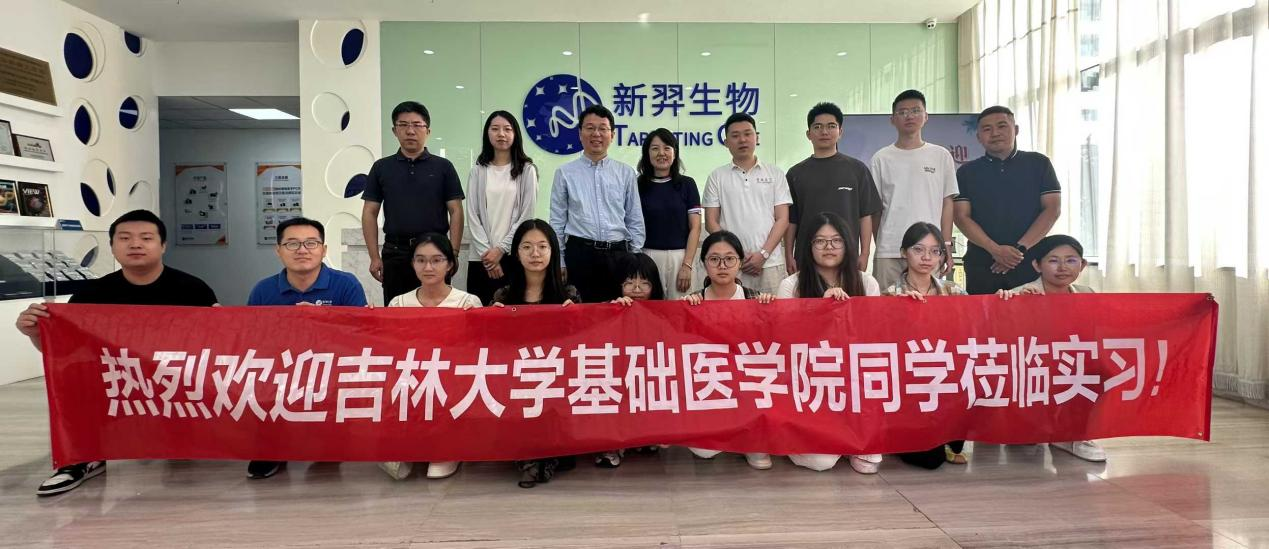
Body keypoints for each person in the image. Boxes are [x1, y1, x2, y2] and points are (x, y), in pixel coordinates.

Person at [14, 209, 218, 496]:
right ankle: (83, 457)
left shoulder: (193, 289)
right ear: (112, 246)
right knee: (73, 373)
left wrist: (224, 326)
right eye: (124, 238)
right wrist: (36, 333)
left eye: (146, 238)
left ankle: (183, 433)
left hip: (175, 377)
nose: (135, 244)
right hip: (117, 378)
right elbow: (64, 353)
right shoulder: (91, 294)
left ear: (162, 245)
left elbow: (214, 348)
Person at [244, 217, 368, 480]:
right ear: (278, 251)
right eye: (292, 244)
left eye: (311, 243)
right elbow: (253, 340)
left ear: (323, 249)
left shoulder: (346, 284)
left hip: (331, 365)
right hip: (281, 368)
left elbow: (360, 335)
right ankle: (271, 448)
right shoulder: (263, 290)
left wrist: (324, 319)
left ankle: (327, 439)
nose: (302, 250)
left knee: (328, 453)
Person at [773, 212, 882, 473]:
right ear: (808, 246)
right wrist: (820, 311)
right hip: (809, 382)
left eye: (836, 240)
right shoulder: (791, 285)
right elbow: (784, 341)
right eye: (820, 241)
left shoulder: (866, 282)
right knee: (821, 462)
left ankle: (849, 436)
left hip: (852, 382)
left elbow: (873, 337)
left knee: (869, 464)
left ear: (847, 244)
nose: (829, 247)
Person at [380, 233, 481, 481]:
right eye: (421, 260)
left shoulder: (468, 302)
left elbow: (476, 353)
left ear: (450, 265)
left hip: (452, 381)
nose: (428, 267)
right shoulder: (398, 303)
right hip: (410, 381)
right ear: (412, 264)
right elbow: (390, 352)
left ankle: (446, 449)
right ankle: (407, 447)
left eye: (436, 260)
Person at [491, 219, 582, 487]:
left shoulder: (569, 295)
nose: (535, 254)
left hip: (556, 380)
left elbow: (581, 347)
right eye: (527, 247)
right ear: (516, 253)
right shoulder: (503, 296)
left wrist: (576, 320)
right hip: (517, 380)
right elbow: (492, 350)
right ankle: (536, 460)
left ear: (553, 251)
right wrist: (490, 322)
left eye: (542, 246)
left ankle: (539, 460)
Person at [997, 234, 1104, 462]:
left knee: (1097, 367)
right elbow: (1005, 345)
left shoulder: (1088, 294)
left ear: (1083, 265)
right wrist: (1012, 308)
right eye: (1053, 260)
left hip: (1071, 367)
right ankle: (1033, 423)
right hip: (1033, 369)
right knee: (1024, 439)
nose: (1063, 267)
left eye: (1071, 260)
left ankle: (1073, 435)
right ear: (1037, 265)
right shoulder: (1019, 294)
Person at [681, 231, 775, 470]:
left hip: (748, 385)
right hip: (712, 384)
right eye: (714, 259)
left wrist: (770, 312)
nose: (722, 266)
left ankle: (749, 437)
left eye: (730, 259)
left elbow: (776, 348)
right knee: (704, 452)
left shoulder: (756, 300)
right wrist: (683, 314)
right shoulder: (692, 303)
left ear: (740, 262)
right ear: (703, 264)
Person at [881, 222, 970, 468]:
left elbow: (974, 328)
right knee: (931, 460)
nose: (927, 258)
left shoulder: (954, 292)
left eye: (935, 251)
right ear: (904, 252)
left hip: (946, 376)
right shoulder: (889, 295)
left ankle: (949, 435)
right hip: (909, 382)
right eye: (918, 250)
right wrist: (900, 311)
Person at [362, 100, 465, 306]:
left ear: (428, 130)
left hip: (435, 253)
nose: (410, 131)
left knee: (437, 311)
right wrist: (374, 257)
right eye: (403, 125)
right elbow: (369, 213)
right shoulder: (381, 167)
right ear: (394, 130)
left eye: (417, 125)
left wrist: (452, 253)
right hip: (396, 252)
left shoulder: (443, 167)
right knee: (397, 312)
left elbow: (456, 211)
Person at [954, 105, 1062, 295]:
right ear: (978, 137)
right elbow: (961, 217)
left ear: (1016, 130)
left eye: (1002, 126)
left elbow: (1052, 210)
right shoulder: (966, 172)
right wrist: (995, 250)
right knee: (982, 314)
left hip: (1030, 261)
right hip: (982, 263)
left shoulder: (1039, 164)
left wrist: (1018, 251)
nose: (995, 133)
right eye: (987, 129)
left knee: (1030, 313)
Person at [548, 104, 646, 304]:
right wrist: (560, 261)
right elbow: (557, 221)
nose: (596, 134)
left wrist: (635, 259)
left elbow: (634, 218)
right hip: (580, 255)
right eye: (590, 128)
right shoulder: (565, 173)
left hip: (618, 254)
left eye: (603, 128)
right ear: (580, 133)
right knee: (581, 314)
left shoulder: (626, 173)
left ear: (612, 135)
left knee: (620, 313)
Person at [869, 90, 958, 290]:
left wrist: (945, 246)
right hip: (889, 251)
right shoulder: (881, 158)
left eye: (916, 111)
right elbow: (875, 210)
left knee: (928, 306)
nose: (909, 116)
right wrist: (882, 243)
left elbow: (947, 204)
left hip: (929, 251)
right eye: (902, 112)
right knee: (887, 305)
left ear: (926, 116)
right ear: (892, 119)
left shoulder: (941, 155)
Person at [784, 102, 882, 273]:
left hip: (847, 256)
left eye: (831, 126)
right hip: (806, 257)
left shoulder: (857, 169)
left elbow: (865, 215)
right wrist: (788, 254)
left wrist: (865, 253)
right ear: (808, 134)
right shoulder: (795, 173)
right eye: (818, 127)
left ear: (840, 132)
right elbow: (791, 220)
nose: (824, 132)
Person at [703, 113, 791, 295]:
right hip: (732, 266)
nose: (742, 140)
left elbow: (782, 219)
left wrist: (763, 254)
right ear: (726, 142)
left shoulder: (775, 173)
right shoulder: (717, 177)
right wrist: (737, 255)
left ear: (756, 137)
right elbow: (711, 223)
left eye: (747, 134)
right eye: (735, 136)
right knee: (733, 313)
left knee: (772, 312)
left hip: (770, 263)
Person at [465, 110, 538, 305]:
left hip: (512, 256)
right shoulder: (478, 171)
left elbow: (526, 216)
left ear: (515, 134)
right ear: (487, 134)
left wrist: (500, 250)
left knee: (513, 315)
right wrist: (489, 256)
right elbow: (472, 215)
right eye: (495, 129)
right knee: (480, 314)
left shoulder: (527, 170)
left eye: (507, 129)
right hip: (481, 258)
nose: (501, 134)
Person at [600, 253, 667, 467]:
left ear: (654, 286)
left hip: (644, 375)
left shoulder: (664, 313)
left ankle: (645, 436)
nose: (637, 289)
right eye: (629, 283)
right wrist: (612, 311)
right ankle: (611, 445)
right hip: (616, 375)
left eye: (644, 283)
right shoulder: (608, 306)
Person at [636, 128, 702, 300]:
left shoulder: (687, 184)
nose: (661, 153)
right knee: (650, 310)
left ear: (674, 152)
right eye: (655, 148)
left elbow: (695, 228)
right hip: (647, 256)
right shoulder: (638, 185)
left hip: (681, 257)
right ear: (647, 153)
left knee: (682, 308)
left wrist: (687, 265)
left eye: (667, 148)